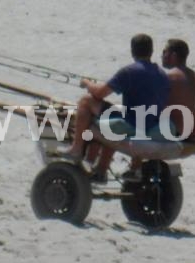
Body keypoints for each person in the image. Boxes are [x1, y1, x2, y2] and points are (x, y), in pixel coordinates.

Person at [67, 33, 169, 175]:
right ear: (151, 51)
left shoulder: (129, 72)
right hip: (152, 125)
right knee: (116, 116)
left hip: (132, 125)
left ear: (132, 51)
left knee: (86, 101)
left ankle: (76, 149)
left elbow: (99, 93)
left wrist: (87, 83)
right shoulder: (162, 74)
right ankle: (101, 169)